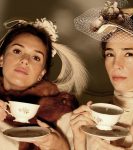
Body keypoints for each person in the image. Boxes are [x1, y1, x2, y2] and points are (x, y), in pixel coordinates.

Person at [70, 1, 133, 150]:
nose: (116, 64)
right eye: (110, 54)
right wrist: (79, 141)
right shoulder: (93, 117)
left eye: (128, 54)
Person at [0, 18, 88, 150]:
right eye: (17, 51)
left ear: (41, 73)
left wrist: (59, 145)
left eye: (36, 58)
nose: (25, 60)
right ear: (1, 59)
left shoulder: (62, 111)